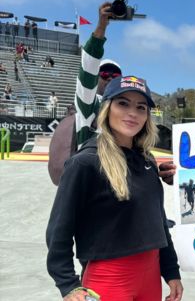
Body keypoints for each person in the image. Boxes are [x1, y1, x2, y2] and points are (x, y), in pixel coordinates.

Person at [46, 75, 184, 301]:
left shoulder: (147, 161)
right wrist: (68, 284)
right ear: (107, 108)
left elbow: (158, 221)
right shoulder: (85, 162)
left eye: (141, 107)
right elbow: (58, 230)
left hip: (150, 275)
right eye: (123, 103)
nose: (132, 113)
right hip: (108, 278)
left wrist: (171, 272)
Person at [73, 1, 176, 180]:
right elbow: (88, 69)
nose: (111, 77)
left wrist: (155, 175)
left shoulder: (141, 150)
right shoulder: (88, 106)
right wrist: (101, 28)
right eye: (104, 73)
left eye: (116, 76)